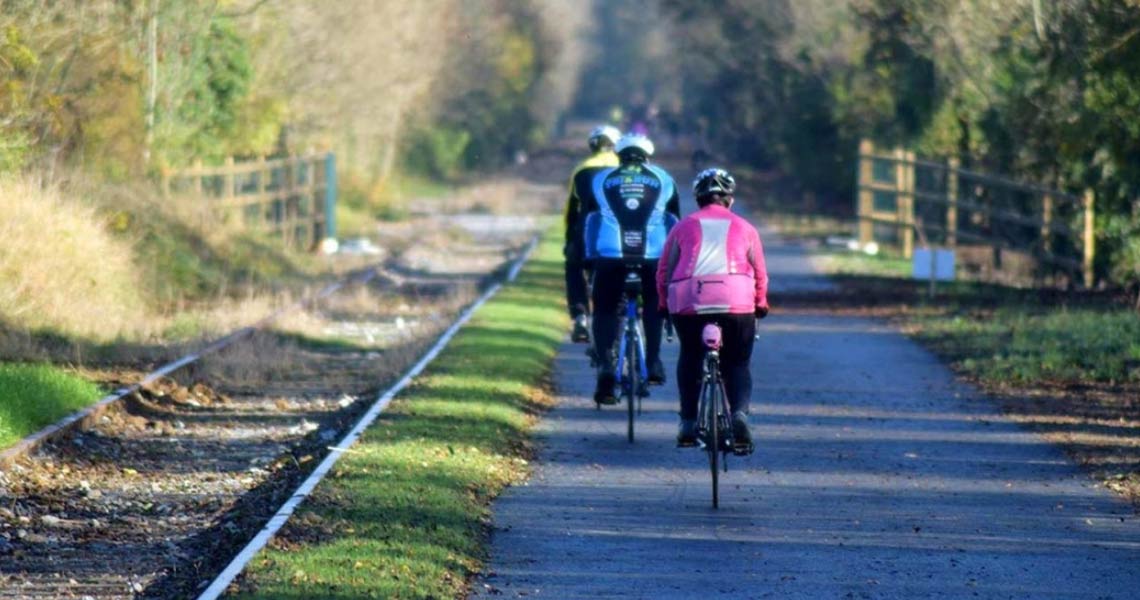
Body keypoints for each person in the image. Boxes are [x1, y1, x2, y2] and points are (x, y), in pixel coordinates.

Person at [655, 168, 769, 452]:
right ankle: (740, 414)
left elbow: (663, 271)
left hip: (690, 299)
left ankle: (688, 422)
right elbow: (760, 274)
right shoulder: (746, 228)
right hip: (737, 300)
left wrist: (662, 303)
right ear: (729, 200)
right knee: (737, 363)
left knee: (691, 355)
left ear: (698, 199)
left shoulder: (682, 227)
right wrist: (761, 303)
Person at [581, 133, 681, 404]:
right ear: (647, 156)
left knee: (604, 309)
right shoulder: (663, 178)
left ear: (619, 155)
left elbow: (590, 220)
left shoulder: (600, 179)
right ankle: (654, 361)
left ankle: (605, 368)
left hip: (611, 256)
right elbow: (675, 221)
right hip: (653, 257)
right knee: (654, 303)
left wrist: (589, 258)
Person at [564, 124, 621, 343]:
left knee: (573, 266)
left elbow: (571, 211)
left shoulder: (581, 170)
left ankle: (579, 315)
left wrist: (570, 240)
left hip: (587, 235)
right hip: (618, 237)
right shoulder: (623, 167)